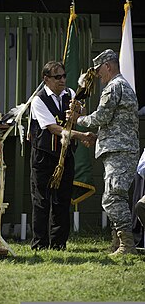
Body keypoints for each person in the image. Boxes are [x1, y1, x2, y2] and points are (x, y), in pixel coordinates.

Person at [74, 49, 140, 255]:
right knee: (115, 196)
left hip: (119, 152)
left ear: (108, 66)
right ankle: (118, 243)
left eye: (99, 70)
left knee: (113, 198)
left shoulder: (114, 87)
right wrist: (99, 136)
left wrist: (77, 119)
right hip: (120, 150)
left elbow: (101, 117)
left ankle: (126, 245)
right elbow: (114, 122)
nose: (98, 75)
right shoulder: (121, 86)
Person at [29, 60, 96, 251]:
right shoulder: (39, 100)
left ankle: (58, 243)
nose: (62, 80)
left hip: (65, 155)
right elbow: (54, 129)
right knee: (42, 201)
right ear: (46, 79)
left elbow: (83, 112)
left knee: (62, 200)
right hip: (43, 156)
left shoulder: (70, 94)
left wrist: (78, 111)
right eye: (57, 77)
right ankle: (40, 244)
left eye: (64, 76)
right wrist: (82, 135)